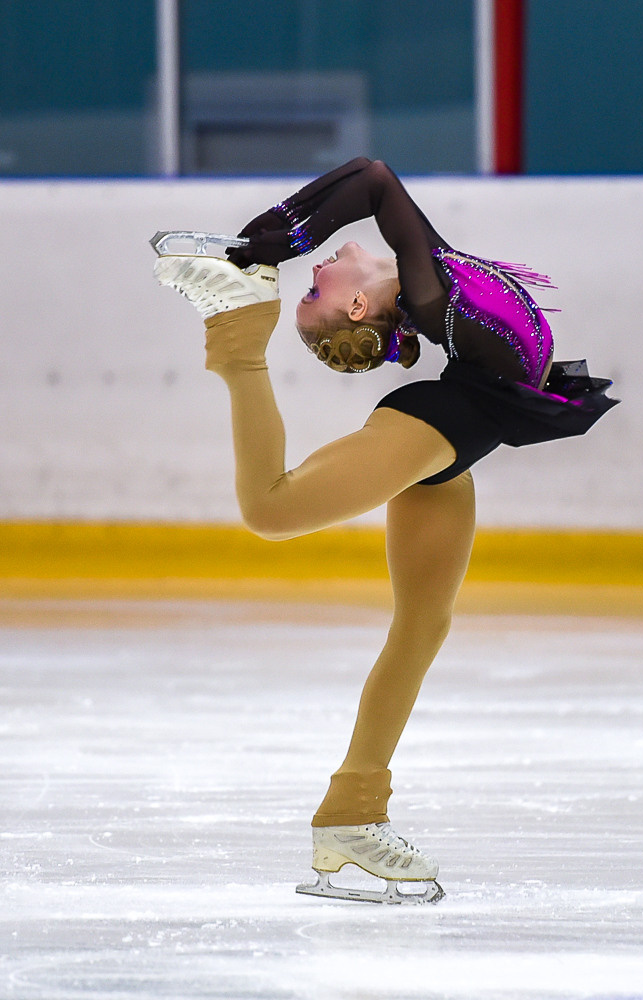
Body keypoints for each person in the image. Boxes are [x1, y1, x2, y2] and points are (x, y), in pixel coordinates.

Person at [152, 157, 618, 904]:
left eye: (310, 281)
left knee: (422, 626)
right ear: (363, 305)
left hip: (463, 435)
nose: (326, 264)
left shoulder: (435, 279)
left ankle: (352, 814)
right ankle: (238, 332)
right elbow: (373, 181)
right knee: (272, 509)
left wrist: (261, 245)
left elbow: (375, 187)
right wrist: (256, 255)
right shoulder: (433, 291)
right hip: (441, 423)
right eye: (317, 286)